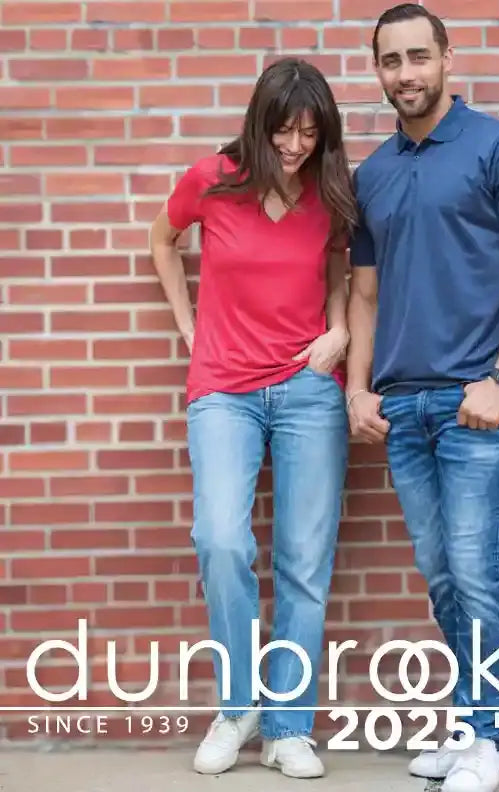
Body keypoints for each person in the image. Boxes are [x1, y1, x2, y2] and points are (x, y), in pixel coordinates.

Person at [345, 5, 499, 792]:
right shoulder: (371, 174)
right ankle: (483, 725)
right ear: (378, 71)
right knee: (441, 576)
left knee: (476, 571)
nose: (405, 74)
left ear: (445, 59)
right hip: (406, 410)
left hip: (480, 405)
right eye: (390, 62)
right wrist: (359, 389)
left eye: (417, 57)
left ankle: (483, 734)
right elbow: (363, 297)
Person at [149, 57, 356, 779]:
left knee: (304, 562)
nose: (296, 146)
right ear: (258, 123)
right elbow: (160, 243)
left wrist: (337, 331)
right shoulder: (211, 180)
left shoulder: (327, 191)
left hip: (307, 390)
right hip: (224, 391)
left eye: (309, 132)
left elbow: (339, 267)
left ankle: (289, 727)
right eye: (284, 130)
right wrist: (188, 327)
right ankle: (237, 709)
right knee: (221, 540)